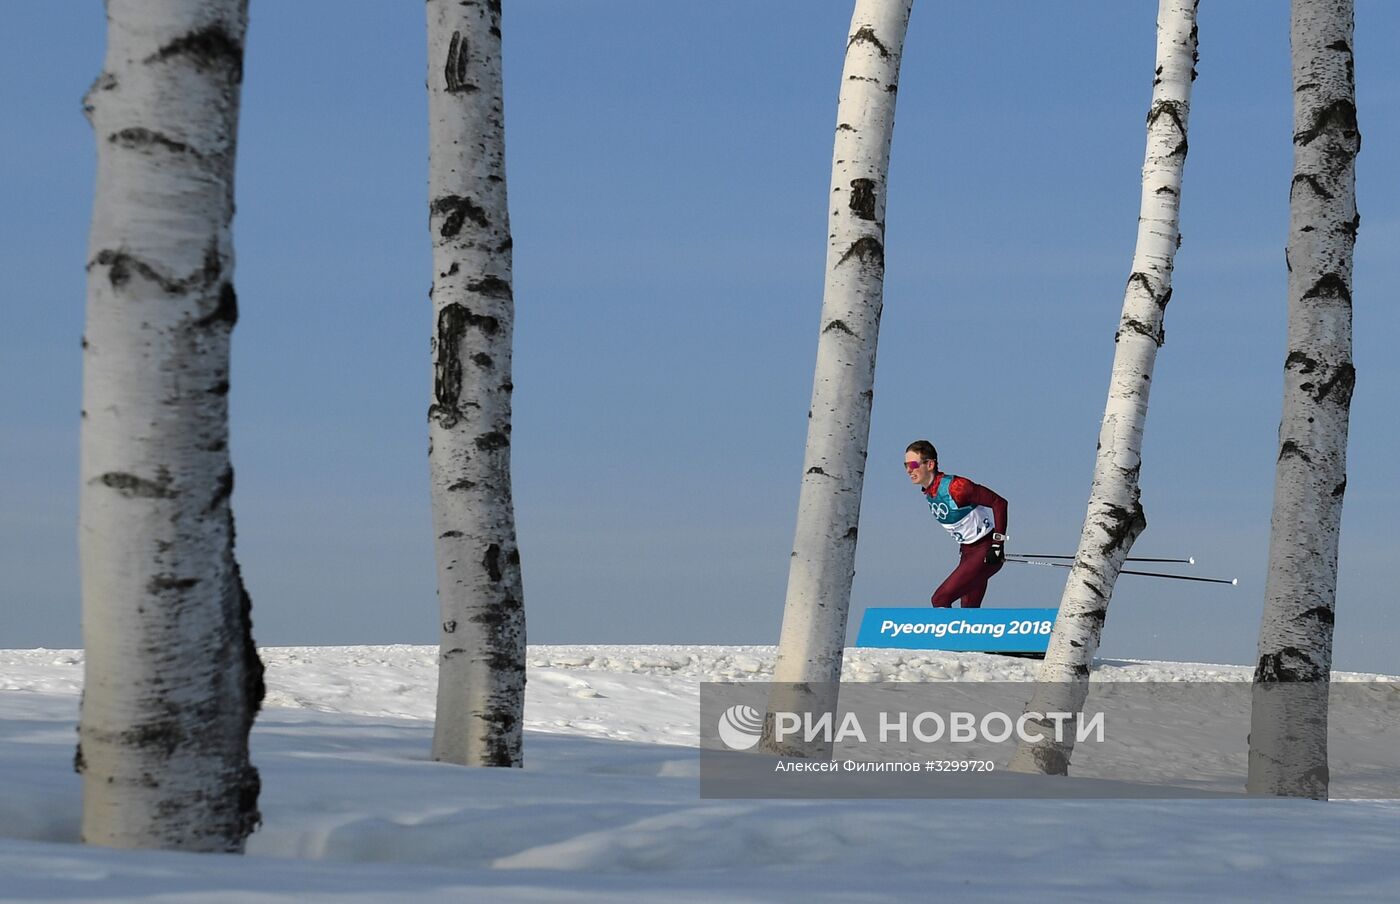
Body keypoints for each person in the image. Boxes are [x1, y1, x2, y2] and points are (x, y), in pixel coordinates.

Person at [904, 440, 1009, 608]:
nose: (909, 470)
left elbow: (999, 503)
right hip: (968, 553)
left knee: (940, 599)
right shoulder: (929, 492)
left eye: (914, 464)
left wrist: (998, 544)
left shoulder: (956, 487)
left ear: (930, 464)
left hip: (986, 551)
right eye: (906, 465)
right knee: (968, 611)